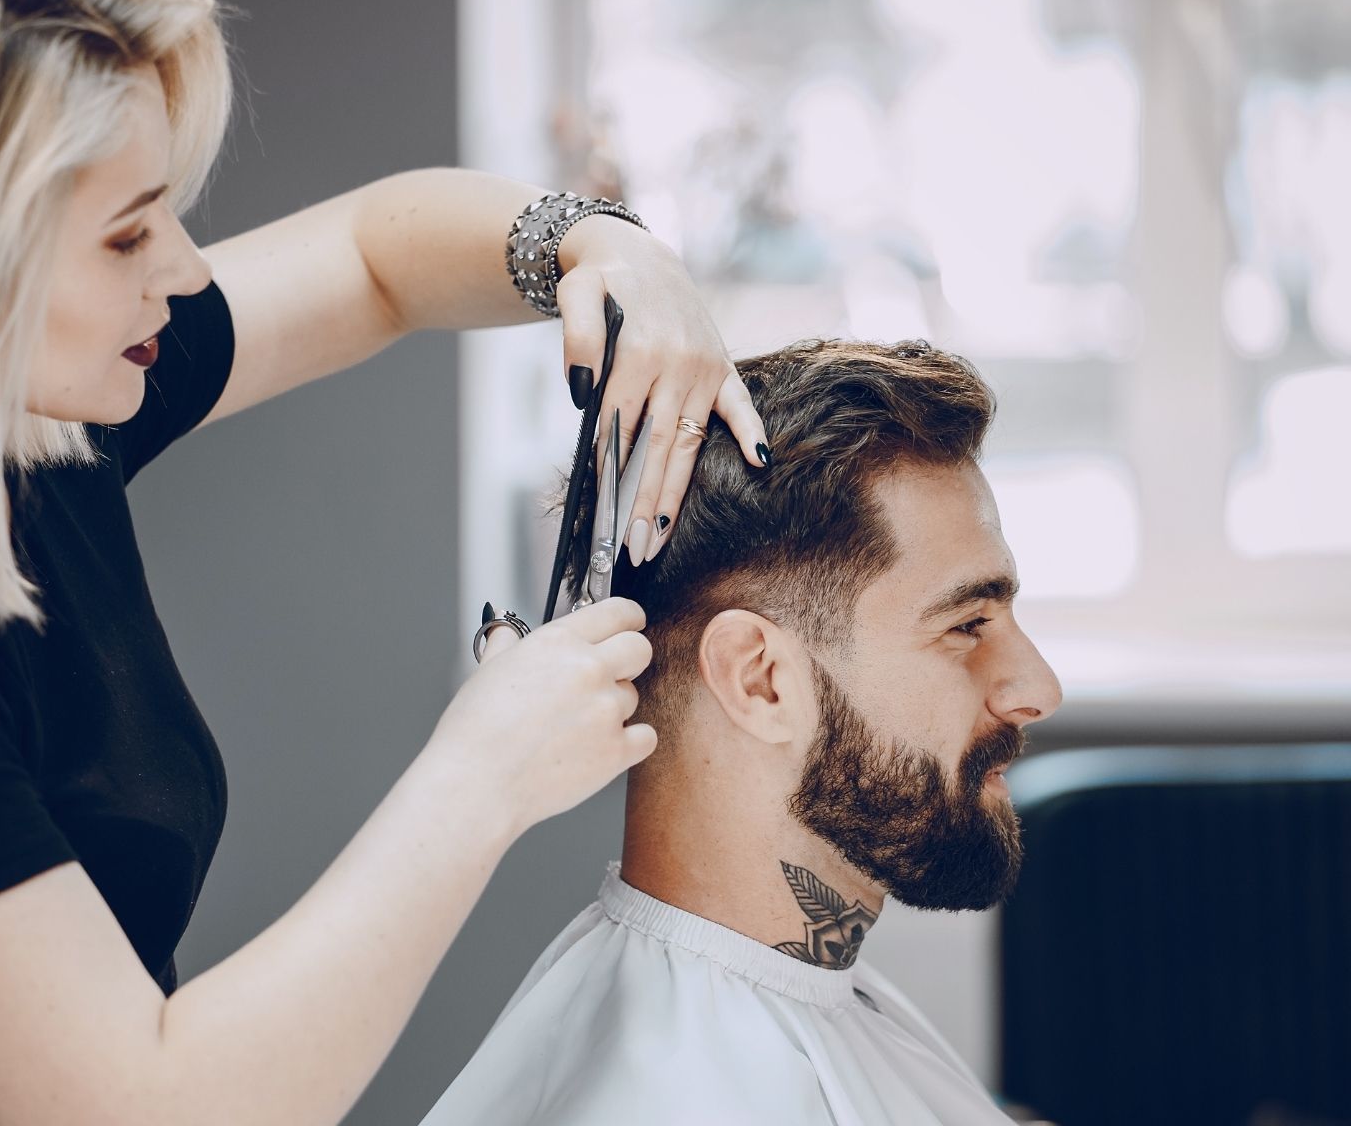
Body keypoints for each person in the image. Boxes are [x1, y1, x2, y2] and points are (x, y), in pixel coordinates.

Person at [0, 0, 775, 1124]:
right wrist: (482, 774)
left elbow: (377, 257)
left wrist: (604, 246)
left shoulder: (23, 436)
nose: (179, 270)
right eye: (127, 233)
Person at [422, 338, 1066, 1125]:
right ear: (759, 679)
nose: (1038, 689)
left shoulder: (792, 998)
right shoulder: (668, 1099)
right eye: (968, 624)